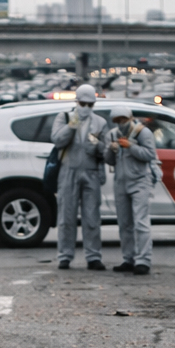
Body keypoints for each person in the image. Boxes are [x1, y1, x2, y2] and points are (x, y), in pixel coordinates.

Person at [48, 84, 109, 270]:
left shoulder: (100, 122)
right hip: (68, 170)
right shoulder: (64, 117)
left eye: (90, 104)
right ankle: (65, 255)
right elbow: (57, 140)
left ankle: (93, 256)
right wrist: (71, 126)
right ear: (77, 101)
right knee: (66, 215)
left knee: (92, 217)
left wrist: (97, 145)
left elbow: (106, 151)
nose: (86, 107)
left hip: (91, 171)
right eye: (83, 103)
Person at [106, 103, 156, 275]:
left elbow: (150, 155)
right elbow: (110, 161)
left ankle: (143, 260)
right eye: (117, 120)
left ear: (130, 118)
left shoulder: (143, 132)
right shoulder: (112, 134)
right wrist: (110, 150)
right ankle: (129, 258)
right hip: (121, 181)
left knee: (141, 222)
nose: (121, 123)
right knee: (124, 223)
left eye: (123, 119)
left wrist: (131, 146)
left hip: (140, 180)